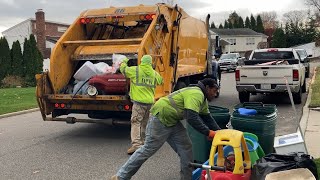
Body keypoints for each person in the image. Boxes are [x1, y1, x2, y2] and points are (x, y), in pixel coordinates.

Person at [112, 78, 221, 180]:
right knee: (147, 149)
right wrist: (208, 132)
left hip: (172, 121)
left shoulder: (203, 101)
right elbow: (192, 117)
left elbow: (207, 118)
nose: (215, 94)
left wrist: (220, 132)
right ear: (207, 88)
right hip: (161, 117)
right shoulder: (196, 94)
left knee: (186, 148)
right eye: (214, 90)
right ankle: (120, 177)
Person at [120, 55, 163, 155]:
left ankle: (136, 145)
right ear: (150, 63)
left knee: (136, 122)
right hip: (150, 103)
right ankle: (144, 142)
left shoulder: (136, 70)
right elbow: (161, 81)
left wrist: (124, 61)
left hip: (139, 103)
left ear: (141, 61)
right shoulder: (154, 73)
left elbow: (123, 70)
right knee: (145, 123)